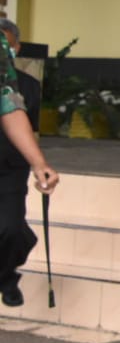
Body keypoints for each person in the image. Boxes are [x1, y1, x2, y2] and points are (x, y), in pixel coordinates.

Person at [0, 20, 58, 308]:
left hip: (8, 164)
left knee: (10, 228)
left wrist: (38, 163)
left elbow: (10, 108)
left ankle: (5, 274)